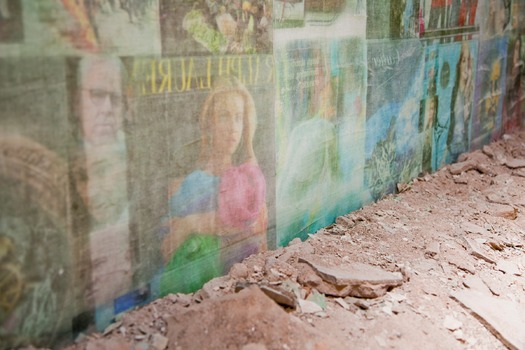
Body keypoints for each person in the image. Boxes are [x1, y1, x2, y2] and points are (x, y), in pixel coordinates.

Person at [159, 76, 267, 295]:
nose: (233, 128)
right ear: (209, 122)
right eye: (224, 116)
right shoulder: (189, 182)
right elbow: (167, 245)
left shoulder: (249, 178)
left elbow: (259, 232)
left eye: (239, 118)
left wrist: (192, 224)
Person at [73, 56, 131, 311]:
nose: (107, 108)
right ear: (76, 102)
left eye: (115, 98)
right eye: (97, 94)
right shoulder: (61, 161)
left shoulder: (136, 155)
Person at [447, 42, 473, 161]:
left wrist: (467, 85)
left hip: (463, 147)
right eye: (463, 61)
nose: (466, 65)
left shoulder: (469, 92)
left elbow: (467, 117)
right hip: (451, 147)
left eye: (468, 61)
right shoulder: (453, 91)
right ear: (459, 65)